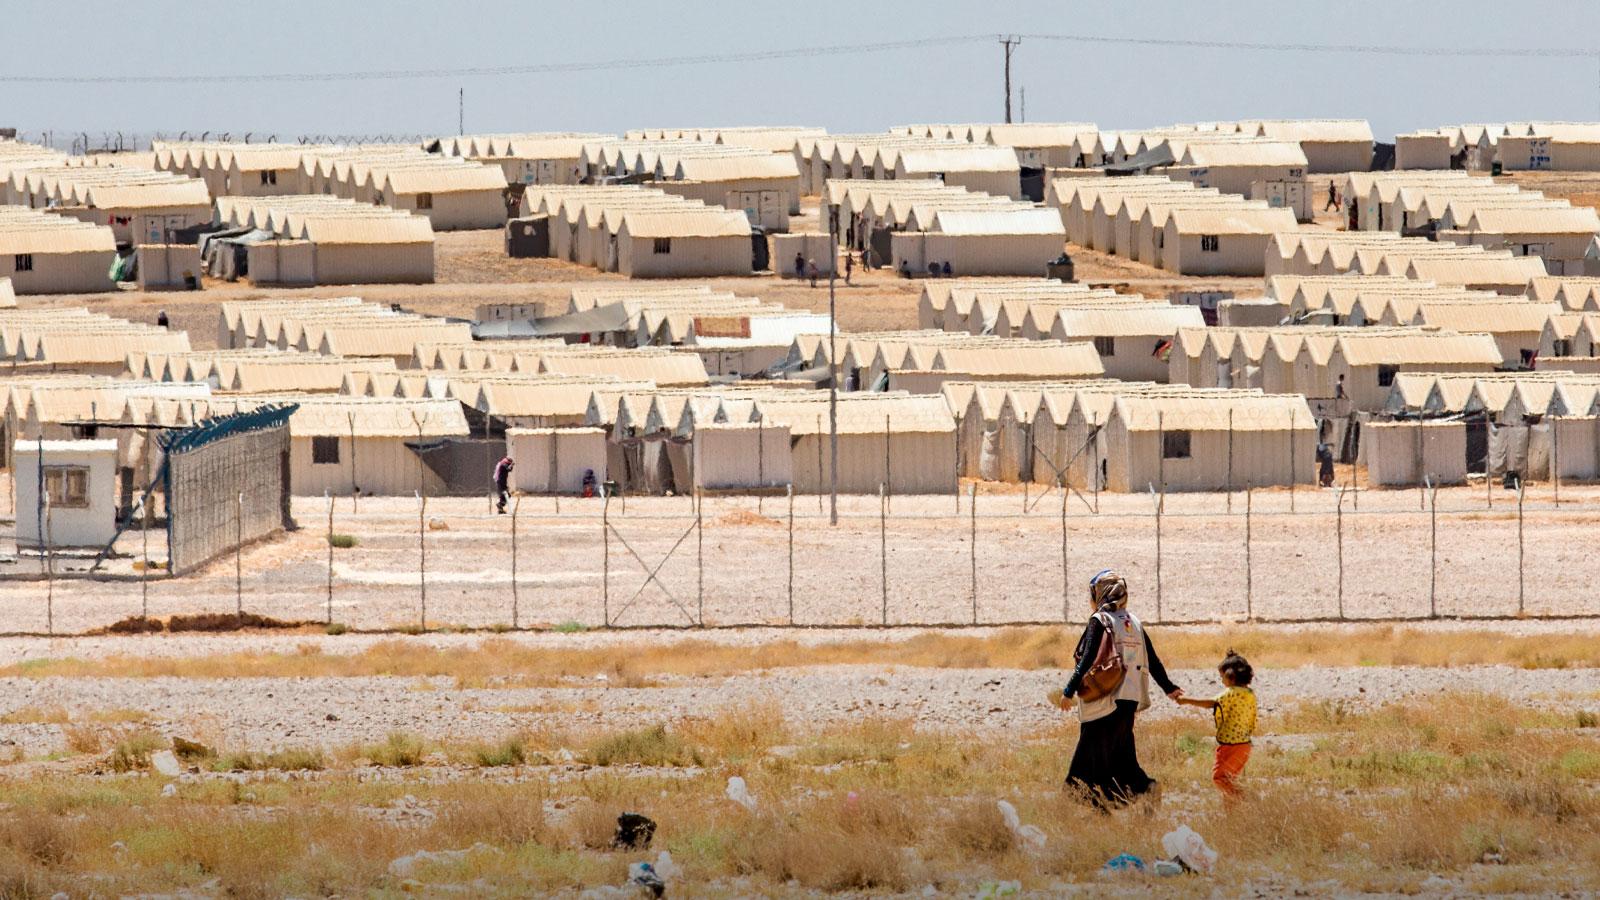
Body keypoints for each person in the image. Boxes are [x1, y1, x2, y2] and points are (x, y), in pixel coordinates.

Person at [1057, 569, 1184, 810]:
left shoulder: (1100, 620)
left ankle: (1110, 800)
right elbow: (1152, 659)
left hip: (1106, 698)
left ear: (1099, 593)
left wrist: (1069, 690)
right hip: (1130, 699)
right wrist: (1169, 688)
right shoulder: (1133, 622)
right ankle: (1142, 789)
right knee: (1119, 755)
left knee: (1088, 761)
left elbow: (1087, 658)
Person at [1176, 650, 1256, 800]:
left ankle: (1246, 798)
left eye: (1221, 677)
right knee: (1230, 779)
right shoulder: (1250, 693)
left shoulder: (1230, 692)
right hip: (1245, 744)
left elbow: (1211, 703)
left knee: (1219, 778)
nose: (1221, 681)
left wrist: (1186, 700)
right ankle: (1233, 814)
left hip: (1231, 744)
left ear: (1230, 676)